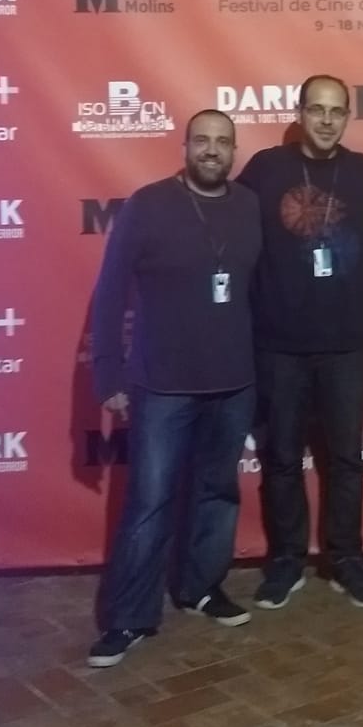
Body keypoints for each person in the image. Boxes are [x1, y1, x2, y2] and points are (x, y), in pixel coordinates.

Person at [85, 109, 263, 668]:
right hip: (162, 383)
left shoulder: (249, 205)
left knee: (217, 493)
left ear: (233, 151)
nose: (212, 150)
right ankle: (128, 617)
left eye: (223, 142)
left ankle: (201, 587)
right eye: (202, 141)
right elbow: (110, 290)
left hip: (234, 381)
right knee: (149, 501)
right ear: (185, 147)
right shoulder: (148, 204)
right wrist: (107, 373)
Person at [238, 75, 363, 609]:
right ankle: (286, 560)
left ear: (347, 117)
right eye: (317, 109)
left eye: (336, 111)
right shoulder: (265, 169)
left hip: (346, 343)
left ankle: (345, 559)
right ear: (299, 113)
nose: (326, 120)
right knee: (281, 458)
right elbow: (230, 236)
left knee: (346, 458)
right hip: (278, 343)